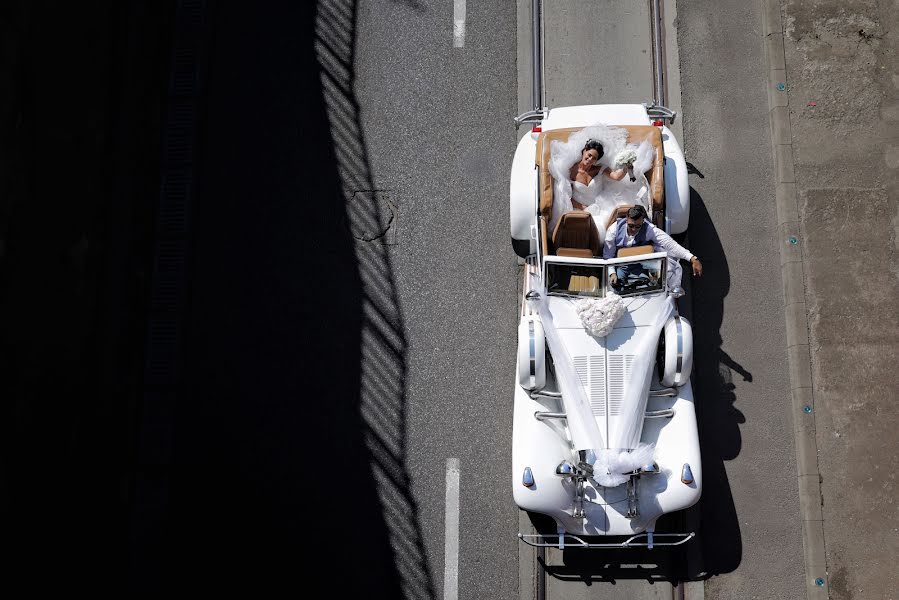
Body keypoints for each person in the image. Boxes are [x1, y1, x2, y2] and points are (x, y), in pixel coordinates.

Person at [604, 205, 702, 287]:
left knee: (649, 286)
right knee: (615, 287)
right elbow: (608, 256)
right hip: (622, 265)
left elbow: (671, 245)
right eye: (631, 225)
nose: (633, 229)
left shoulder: (649, 229)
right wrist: (612, 273)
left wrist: (692, 258)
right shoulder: (613, 231)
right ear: (626, 220)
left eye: (638, 226)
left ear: (643, 222)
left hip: (643, 264)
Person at [567, 140, 628, 210]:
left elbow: (617, 177)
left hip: (600, 207)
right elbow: (567, 196)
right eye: (589, 155)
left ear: (596, 161)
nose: (590, 159)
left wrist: (626, 169)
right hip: (579, 209)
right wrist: (584, 208)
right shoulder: (572, 170)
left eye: (594, 158)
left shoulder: (599, 169)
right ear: (584, 151)